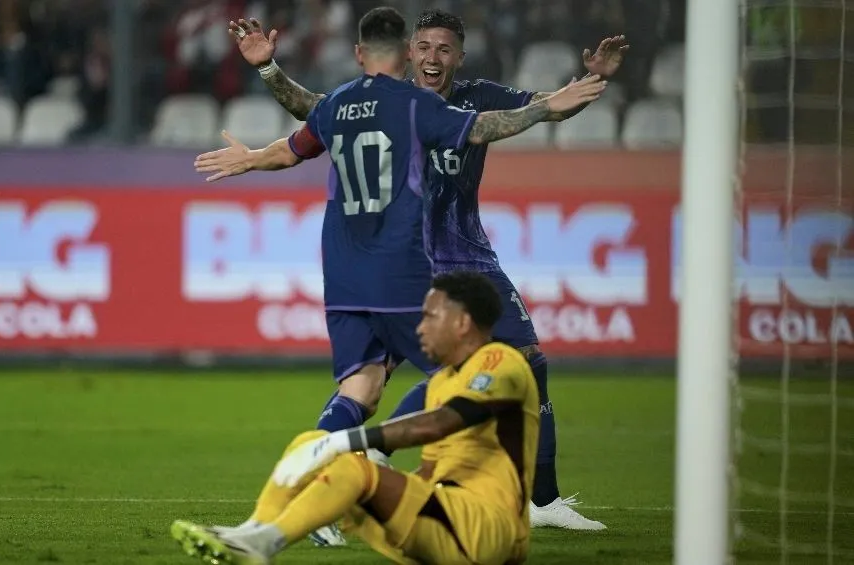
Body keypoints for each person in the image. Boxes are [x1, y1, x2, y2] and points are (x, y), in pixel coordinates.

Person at [219, 9, 629, 532]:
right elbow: (314, 112)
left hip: (467, 254)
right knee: (439, 373)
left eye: (444, 49)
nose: (433, 57)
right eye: (425, 47)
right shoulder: (396, 104)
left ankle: (538, 500)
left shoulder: (473, 94)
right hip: (416, 256)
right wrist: (270, 74)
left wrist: (591, 81)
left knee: (517, 364)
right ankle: (373, 455)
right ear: (408, 52)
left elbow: (545, 107)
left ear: (458, 55)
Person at [171, 270, 542, 565]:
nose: (419, 327)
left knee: (351, 465)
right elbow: (430, 472)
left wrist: (345, 442)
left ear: (462, 322)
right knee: (311, 443)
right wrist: (374, 486)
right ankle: (251, 533)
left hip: (488, 532)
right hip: (443, 524)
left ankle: (264, 545)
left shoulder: (500, 361)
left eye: (430, 316)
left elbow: (439, 423)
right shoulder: (444, 379)